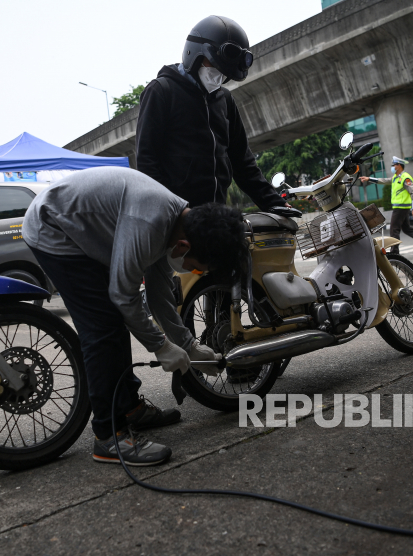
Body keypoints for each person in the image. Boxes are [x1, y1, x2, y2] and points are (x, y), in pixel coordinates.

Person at [22, 166, 247, 466]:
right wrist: (161, 346)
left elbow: (158, 295)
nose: (194, 272)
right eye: (196, 268)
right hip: (54, 227)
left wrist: (188, 345)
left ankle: (130, 409)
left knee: (116, 319)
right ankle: (108, 435)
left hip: (83, 226)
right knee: (103, 328)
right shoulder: (150, 223)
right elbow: (123, 295)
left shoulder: (177, 224)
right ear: (184, 246)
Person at [135, 15, 286, 211]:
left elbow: (242, 161)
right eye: (214, 65)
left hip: (216, 215)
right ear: (195, 54)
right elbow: (147, 160)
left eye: (224, 72)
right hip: (178, 216)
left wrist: (274, 203)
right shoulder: (161, 91)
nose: (219, 75)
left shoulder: (225, 99)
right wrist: (171, 213)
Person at [360, 157, 413, 255]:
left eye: (394, 165)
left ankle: (394, 251)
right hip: (400, 207)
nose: (393, 167)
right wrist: (369, 179)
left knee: (394, 229)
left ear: (399, 165)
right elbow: (384, 180)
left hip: (401, 208)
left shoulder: (405, 177)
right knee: (407, 229)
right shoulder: (396, 177)